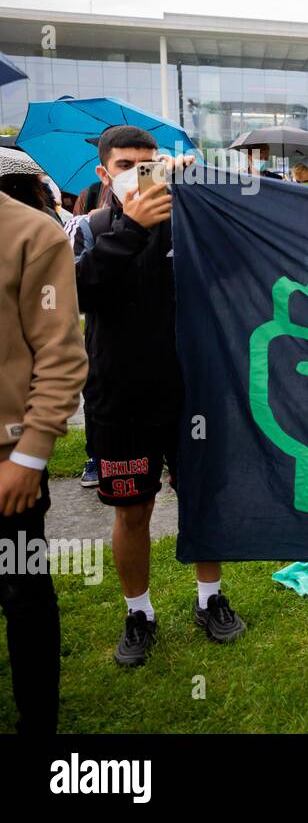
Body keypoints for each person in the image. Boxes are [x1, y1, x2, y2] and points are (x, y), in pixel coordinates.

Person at [72, 125, 245, 666]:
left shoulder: (189, 225)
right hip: (121, 397)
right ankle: (138, 612)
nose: (139, 173)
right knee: (132, 510)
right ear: (105, 173)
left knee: (203, 498)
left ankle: (209, 598)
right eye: (126, 164)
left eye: (150, 163)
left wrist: (209, 193)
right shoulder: (88, 228)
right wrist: (130, 230)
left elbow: (240, 268)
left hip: (195, 391)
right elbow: (76, 292)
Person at [1, 182, 88, 732]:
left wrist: (29, 456)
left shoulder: (33, 233)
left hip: (7, 463)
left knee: (23, 593)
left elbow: (60, 353)